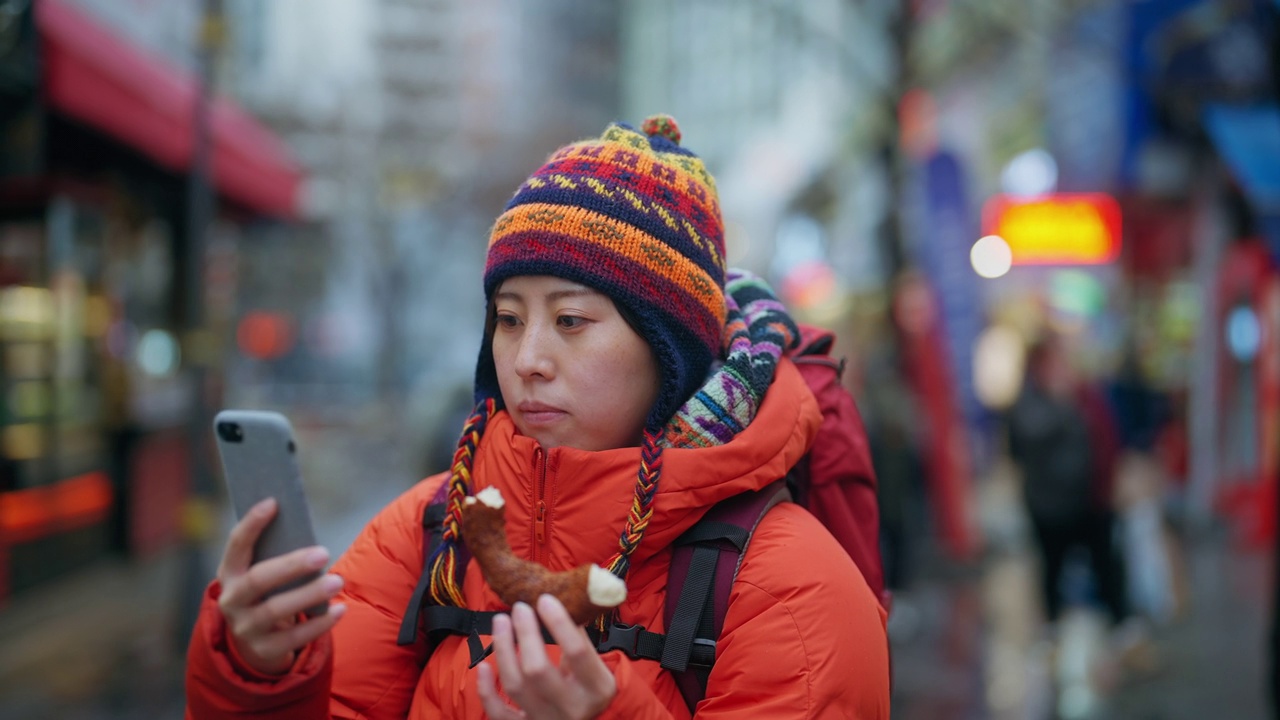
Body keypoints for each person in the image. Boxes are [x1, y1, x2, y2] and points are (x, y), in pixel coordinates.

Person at [185, 115, 891, 719]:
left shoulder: (792, 586)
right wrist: (256, 671)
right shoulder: (427, 535)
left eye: (572, 320)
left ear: (669, 352)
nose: (526, 359)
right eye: (508, 318)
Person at [1006, 332, 1129, 630]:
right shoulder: (1031, 401)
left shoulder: (1082, 395)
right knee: (1053, 570)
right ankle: (1053, 628)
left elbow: (1104, 437)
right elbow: (1026, 440)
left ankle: (1121, 627)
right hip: (1050, 505)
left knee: (1107, 566)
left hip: (1089, 500)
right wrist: (1062, 404)